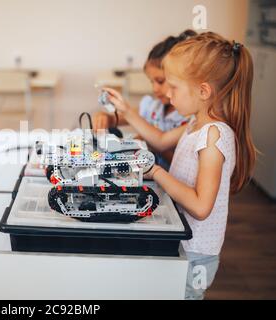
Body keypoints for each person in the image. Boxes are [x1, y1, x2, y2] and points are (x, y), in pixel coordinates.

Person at [103, 32, 256, 299]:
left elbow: (200, 207)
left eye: (173, 87)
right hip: (181, 239)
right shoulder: (196, 124)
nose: (167, 95)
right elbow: (160, 140)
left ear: (203, 91)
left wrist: (156, 171)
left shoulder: (214, 136)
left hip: (196, 252)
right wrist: (126, 110)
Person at [94, 30, 196, 169]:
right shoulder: (153, 107)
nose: (154, 89)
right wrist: (106, 117)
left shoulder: (190, 120)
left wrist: (150, 142)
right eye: (151, 82)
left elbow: (181, 167)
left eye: (160, 81)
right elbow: (120, 118)